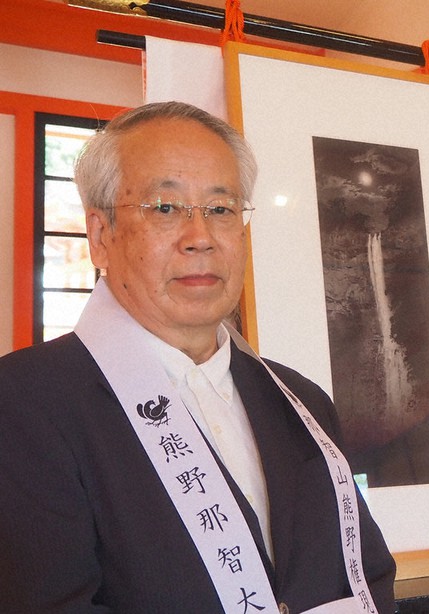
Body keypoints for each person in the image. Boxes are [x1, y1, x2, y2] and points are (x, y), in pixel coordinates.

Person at [0, 101, 396, 613]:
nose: (201, 238)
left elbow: (367, 577)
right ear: (101, 236)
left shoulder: (302, 400)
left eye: (221, 209)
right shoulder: (25, 404)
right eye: (164, 208)